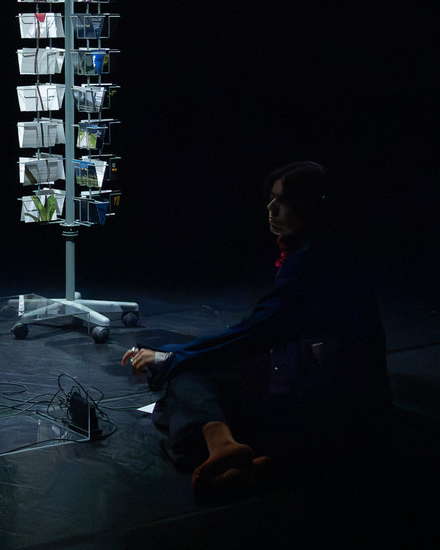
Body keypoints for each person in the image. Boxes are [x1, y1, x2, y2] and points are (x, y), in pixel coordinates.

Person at [123, 161, 390, 502]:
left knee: (182, 383)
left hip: (321, 392)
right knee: (177, 386)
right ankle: (244, 458)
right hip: (329, 381)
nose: (270, 208)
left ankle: (225, 449)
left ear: (308, 207)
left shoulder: (312, 260)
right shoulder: (325, 248)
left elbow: (260, 331)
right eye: (271, 198)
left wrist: (173, 357)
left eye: (283, 202)